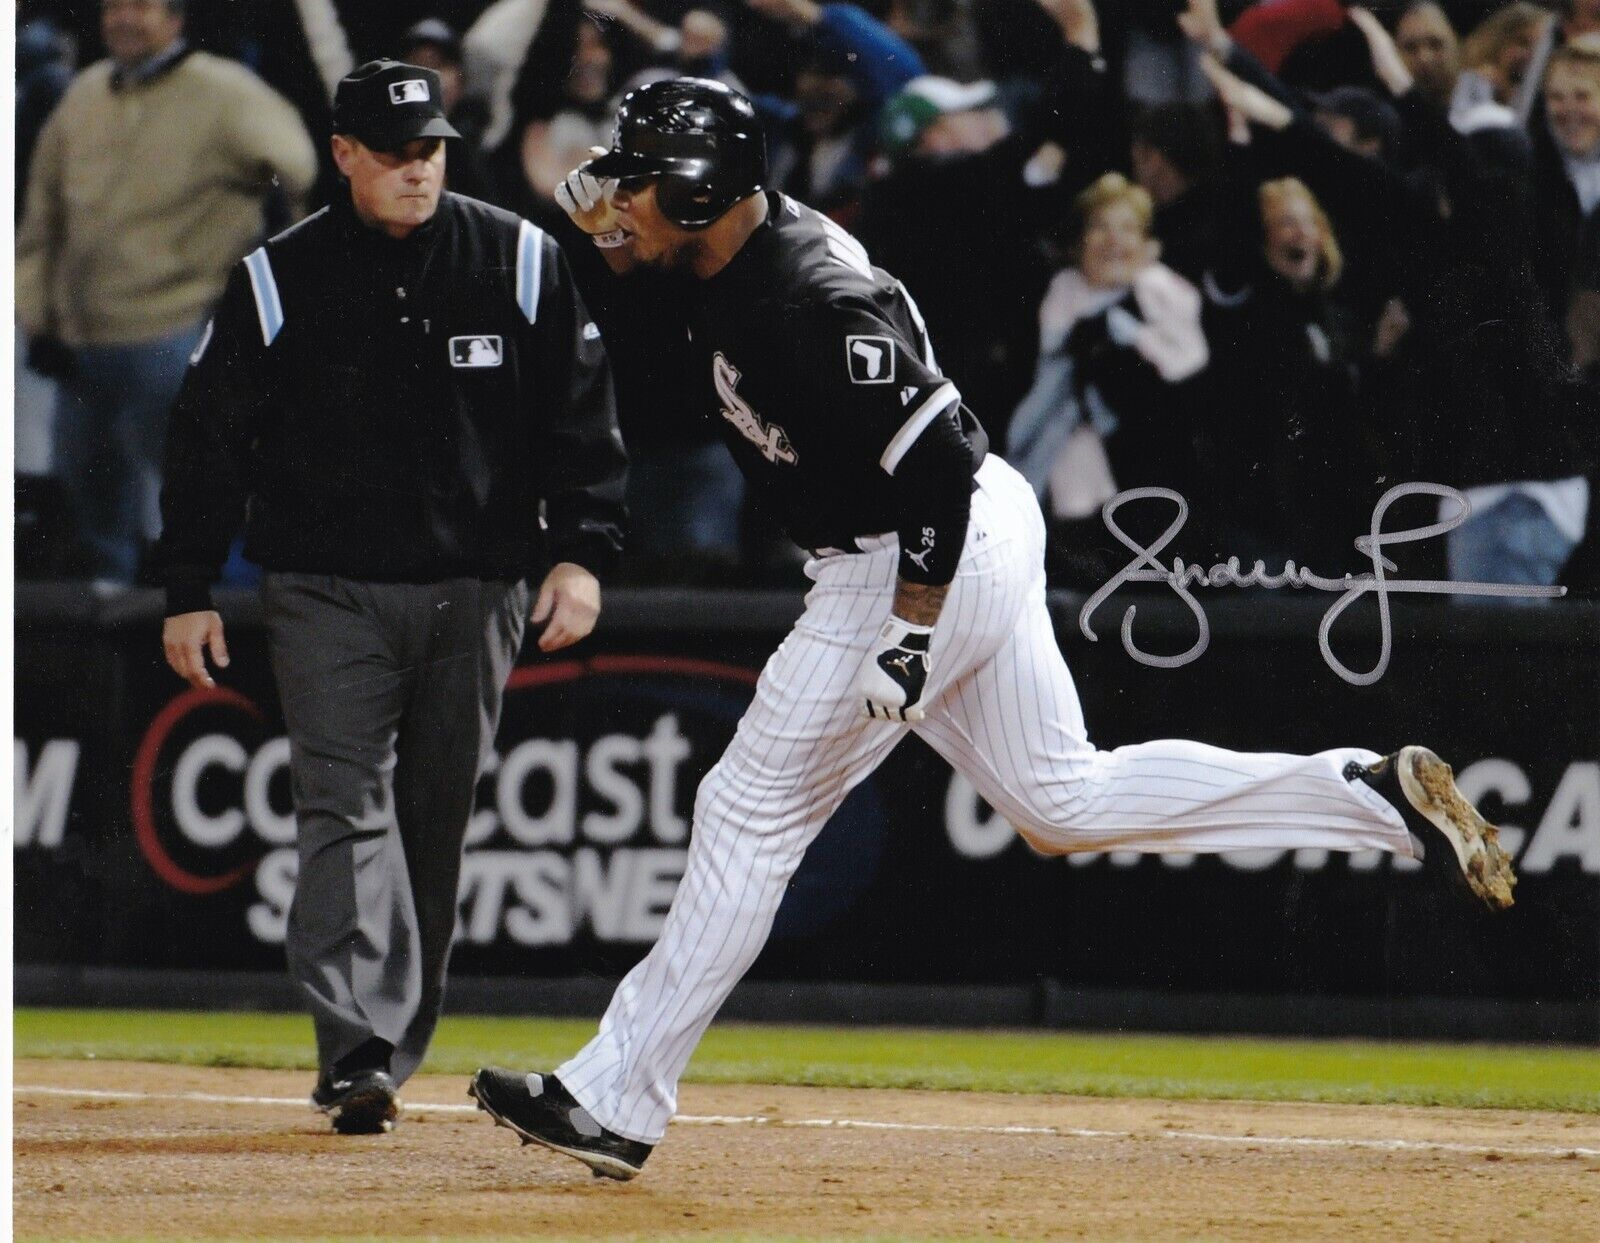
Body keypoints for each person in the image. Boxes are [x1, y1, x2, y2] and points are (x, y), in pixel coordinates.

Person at [465, 76, 1517, 1182]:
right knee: (1061, 798)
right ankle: (1362, 792)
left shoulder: (808, 299)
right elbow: (634, 264)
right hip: (947, 532)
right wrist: (606, 211)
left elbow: (938, 465)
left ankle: (614, 1095)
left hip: (924, 545)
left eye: (639, 180)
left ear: (695, 189)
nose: (619, 200)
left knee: (748, 810)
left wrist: (910, 635)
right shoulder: (726, 250)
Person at [151, 59, 627, 1135]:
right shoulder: (278, 278)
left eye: (432, 150)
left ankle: (391, 1036)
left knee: (434, 818)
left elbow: (583, 424)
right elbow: (206, 441)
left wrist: (582, 554)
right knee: (342, 801)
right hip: (326, 590)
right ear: (346, 155)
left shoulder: (519, 257)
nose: (419, 169)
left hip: (476, 588)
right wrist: (188, 583)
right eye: (397, 152)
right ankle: (358, 1048)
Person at [16, 0, 318, 583]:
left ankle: (244, 617)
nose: (124, 19)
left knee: (208, 489)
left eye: (142, 7)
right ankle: (119, 646)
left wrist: (266, 288)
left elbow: (300, 171)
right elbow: (41, 218)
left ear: (176, 19)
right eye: (114, 8)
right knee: (91, 496)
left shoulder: (224, 90)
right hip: (84, 341)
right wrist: (37, 315)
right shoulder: (81, 95)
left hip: (181, 331)